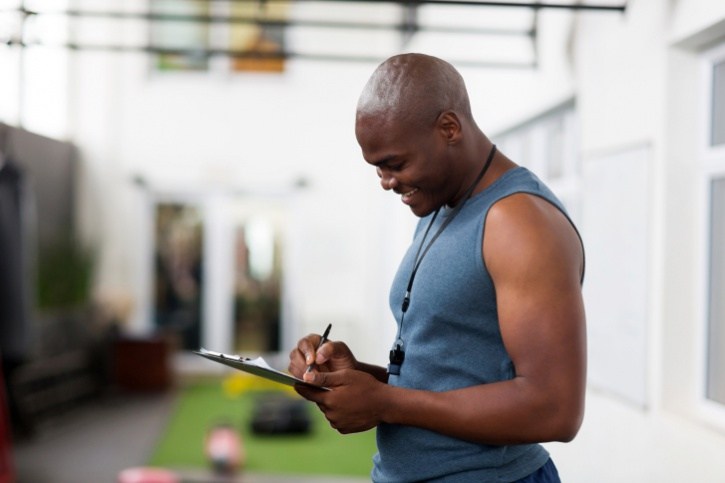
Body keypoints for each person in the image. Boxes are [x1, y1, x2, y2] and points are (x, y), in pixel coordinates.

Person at [288, 53, 586, 482]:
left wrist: (386, 403)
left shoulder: (519, 223)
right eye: (378, 168)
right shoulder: (439, 207)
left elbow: (555, 409)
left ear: (449, 128)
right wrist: (359, 378)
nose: (387, 181)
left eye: (396, 163)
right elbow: (446, 374)